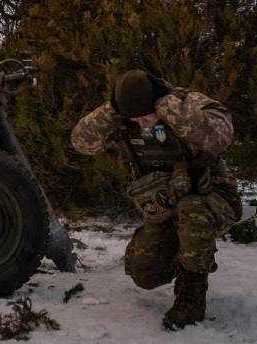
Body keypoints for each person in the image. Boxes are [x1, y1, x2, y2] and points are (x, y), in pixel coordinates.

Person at [70, 69, 242, 330]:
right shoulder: (125, 117)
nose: (144, 125)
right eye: (136, 119)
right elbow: (81, 143)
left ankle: (191, 295)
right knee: (144, 274)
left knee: (192, 210)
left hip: (215, 199)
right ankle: (185, 256)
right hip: (166, 204)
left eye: (147, 117)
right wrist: (113, 109)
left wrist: (167, 107)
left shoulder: (188, 103)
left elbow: (220, 138)